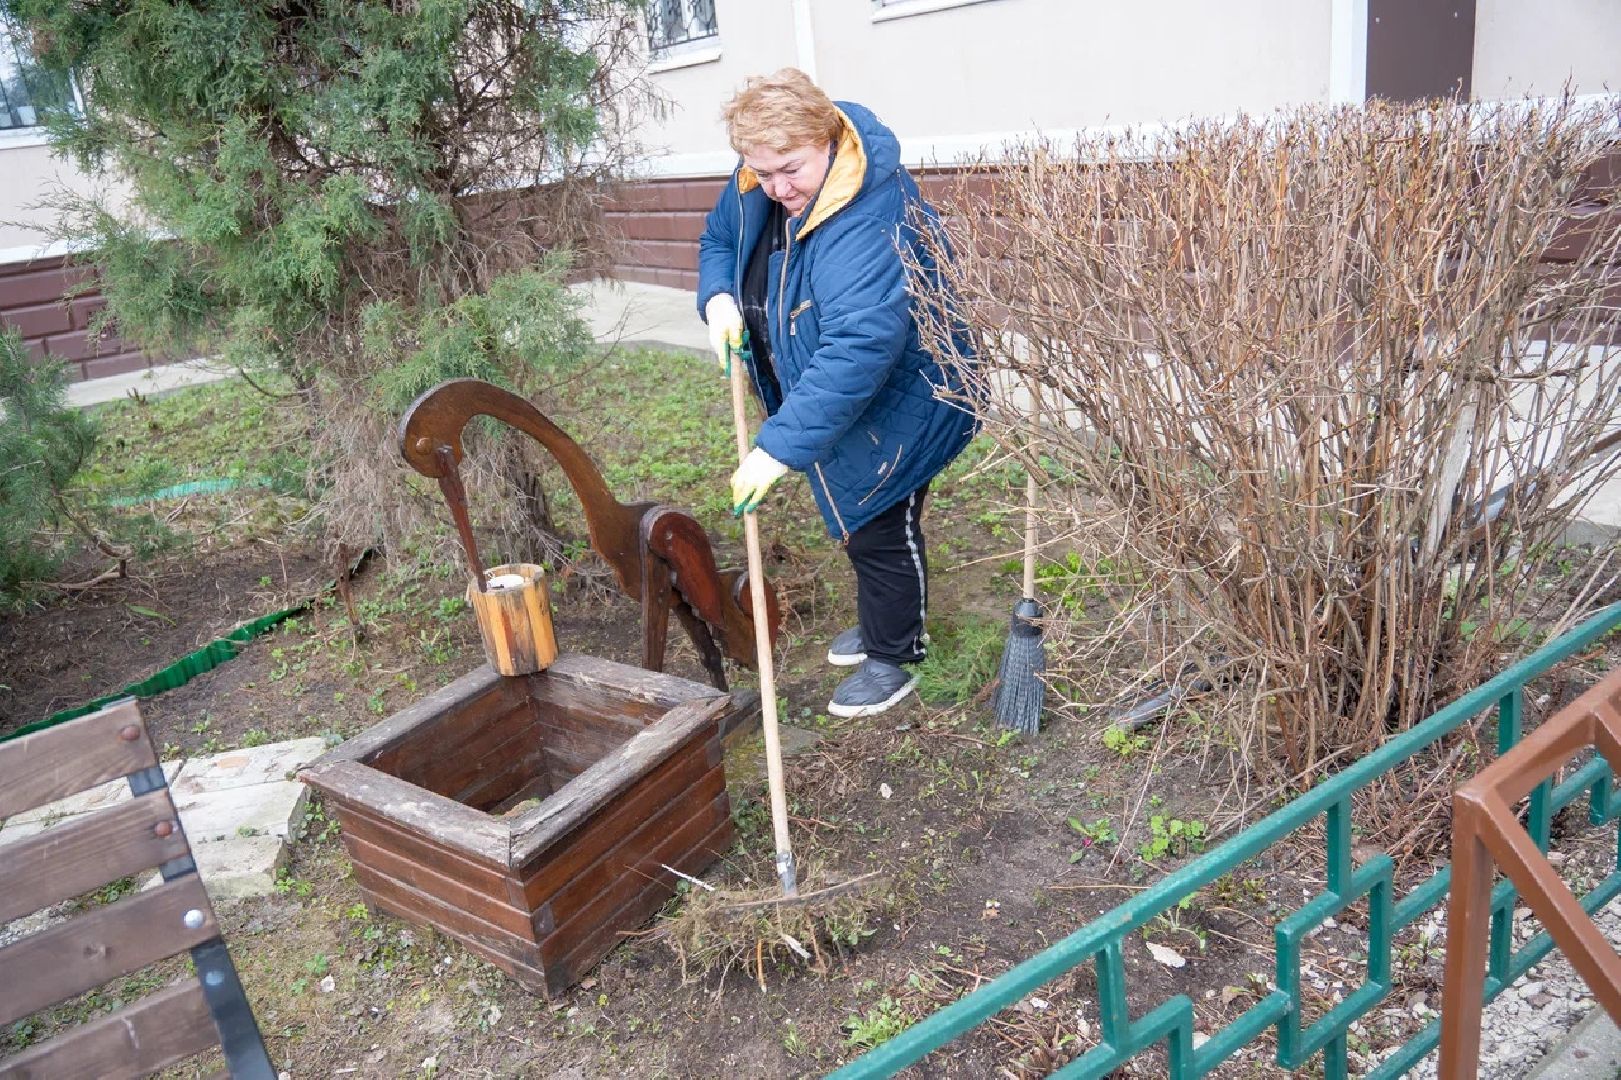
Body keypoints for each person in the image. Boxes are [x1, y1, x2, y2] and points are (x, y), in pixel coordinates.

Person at [697, 68, 975, 719]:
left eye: (789, 170)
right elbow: (719, 239)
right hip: (832, 394)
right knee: (861, 524)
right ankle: (888, 622)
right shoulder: (762, 180)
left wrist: (778, 449)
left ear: (825, 140)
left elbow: (858, 347)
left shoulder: (868, 217)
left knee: (879, 521)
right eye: (761, 173)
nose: (776, 189)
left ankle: (896, 652)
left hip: (906, 395)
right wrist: (717, 299)